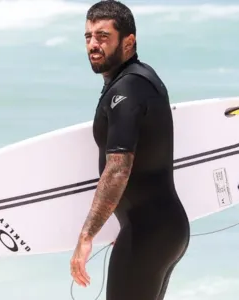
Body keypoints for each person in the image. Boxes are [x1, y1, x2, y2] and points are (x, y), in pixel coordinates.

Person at [70, 1, 191, 299]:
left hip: (148, 231)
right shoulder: (138, 80)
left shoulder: (127, 89)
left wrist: (87, 237)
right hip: (158, 229)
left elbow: (119, 169)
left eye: (103, 36)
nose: (93, 45)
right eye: (88, 37)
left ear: (129, 41)